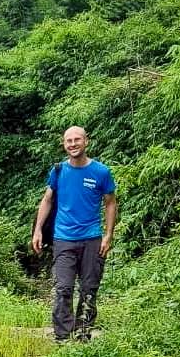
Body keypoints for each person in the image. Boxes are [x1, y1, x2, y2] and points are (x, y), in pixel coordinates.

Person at [31, 126, 117, 342]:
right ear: (64, 144)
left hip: (92, 238)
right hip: (63, 238)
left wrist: (108, 235)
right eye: (68, 141)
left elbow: (110, 203)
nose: (72, 144)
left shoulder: (101, 172)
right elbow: (47, 199)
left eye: (77, 139)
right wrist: (38, 229)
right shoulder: (59, 170)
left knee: (89, 289)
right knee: (64, 288)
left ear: (86, 141)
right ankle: (62, 338)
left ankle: (83, 334)